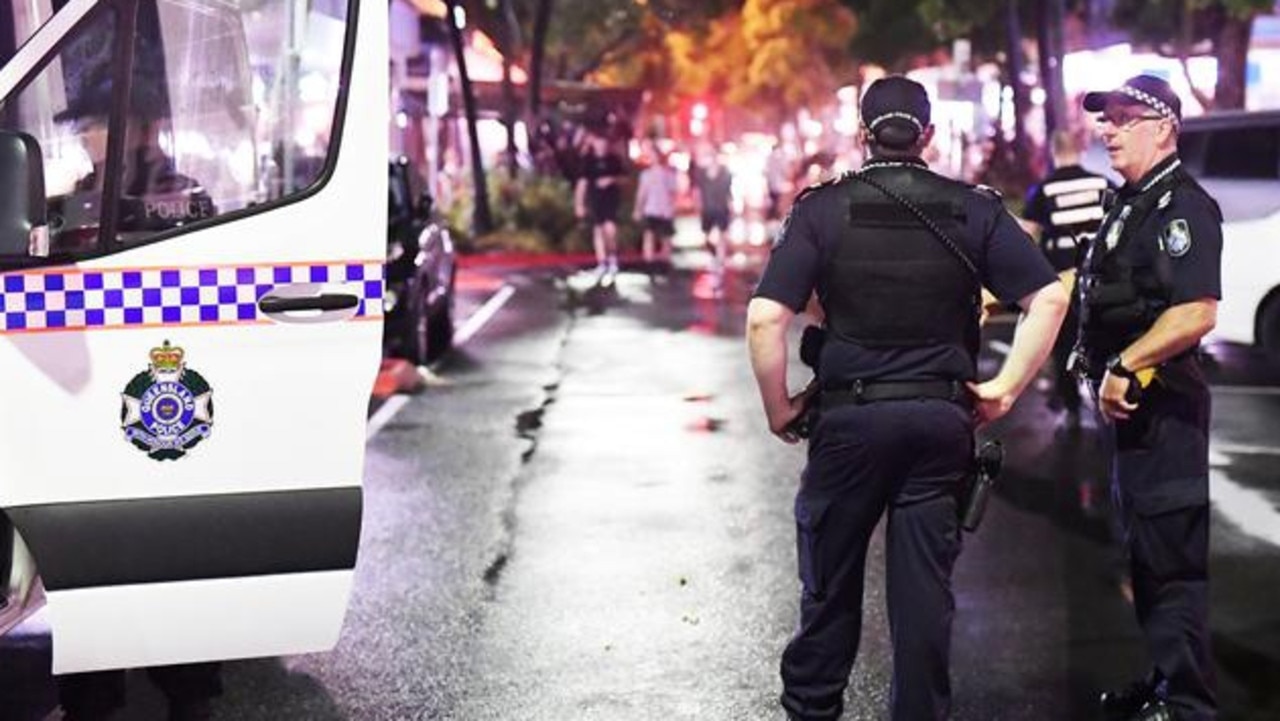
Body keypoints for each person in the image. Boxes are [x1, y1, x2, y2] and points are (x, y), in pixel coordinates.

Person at [746, 75, 1068, 721]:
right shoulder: (974, 208)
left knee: (830, 585)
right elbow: (1051, 295)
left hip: (849, 424)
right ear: (928, 134)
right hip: (938, 424)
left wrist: (780, 405)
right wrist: (1005, 389)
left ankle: (813, 708)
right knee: (924, 593)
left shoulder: (821, 208)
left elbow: (764, 318)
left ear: (862, 135)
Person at [49, 95, 222, 721]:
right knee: (102, 561)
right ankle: (116, 696)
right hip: (100, 399)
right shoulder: (76, 201)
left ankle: (184, 692)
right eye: (86, 128)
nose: (90, 138)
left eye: (97, 125)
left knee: (163, 556)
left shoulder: (181, 196)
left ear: (144, 124)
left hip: (156, 396)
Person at [1074, 75, 1222, 721]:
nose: (1107, 129)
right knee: (1146, 555)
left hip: (1167, 415)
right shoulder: (1131, 202)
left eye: (1123, 117)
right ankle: (1166, 680)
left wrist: (1126, 363)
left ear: (1162, 127)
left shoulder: (1182, 207)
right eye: (1104, 119)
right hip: (1136, 418)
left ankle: (1188, 704)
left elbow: (1196, 312)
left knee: (1174, 565)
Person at [1022, 130, 1114, 427]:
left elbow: (1028, 236)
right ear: (1081, 149)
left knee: (1064, 342)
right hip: (1100, 279)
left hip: (1061, 280)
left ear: (1053, 151)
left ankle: (1070, 401)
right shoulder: (1102, 184)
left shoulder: (1044, 190)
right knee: (1100, 338)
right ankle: (1104, 394)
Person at [574, 130, 626, 275]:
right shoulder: (588, 161)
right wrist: (579, 204)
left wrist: (611, 180)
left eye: (604, 144)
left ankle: (613, 258)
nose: (601, 146)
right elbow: (582, 184)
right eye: (599, 143)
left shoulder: (614, 160)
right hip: (595, 200)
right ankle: (602, 262)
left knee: (610, 230)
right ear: (594, 144)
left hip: (611, 200)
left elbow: (624, 179)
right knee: (598, 231)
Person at [691, 149, 734, 292]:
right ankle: (714, 258)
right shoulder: (701, 175)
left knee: (721, 238)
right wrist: (697, 206)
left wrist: (732, 208)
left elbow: (729, 193)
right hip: (707, 210)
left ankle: (719, 265)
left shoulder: (725, 174)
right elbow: (697, 192)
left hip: (721, 209)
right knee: (708, 238)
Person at [633, 149, 678, 277]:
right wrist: (638, 209)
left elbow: (672, 193)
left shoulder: (668, 173)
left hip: (664, 210)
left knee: (665, 238)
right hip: (651, 209)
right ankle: (650, 263)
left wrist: (671, 208)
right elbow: (642, 194)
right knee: (649, 236)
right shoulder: (646, 175)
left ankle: (664, 264)